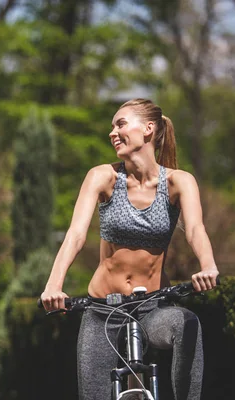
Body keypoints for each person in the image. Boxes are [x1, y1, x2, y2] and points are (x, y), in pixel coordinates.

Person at [39, 98, 220, 400]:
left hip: (152, 309)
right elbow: (75, 234)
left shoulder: (179, 182)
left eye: (120, 123)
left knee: (187, 323)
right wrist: (53, 286)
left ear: (149, 129)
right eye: (112, 126)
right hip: (101, 311)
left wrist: (208, 265)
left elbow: (196, 230)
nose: (113, 132)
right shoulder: (103, 177)